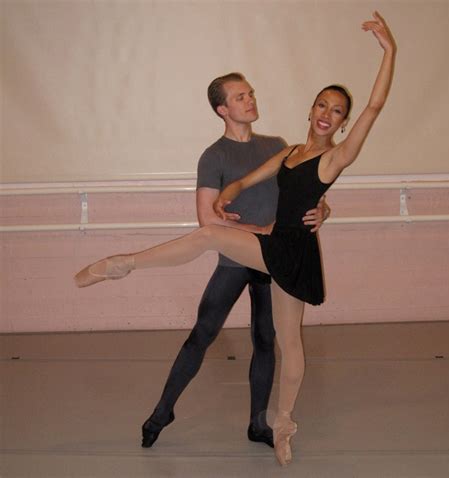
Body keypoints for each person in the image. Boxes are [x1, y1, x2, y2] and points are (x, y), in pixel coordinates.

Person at [75, 11, 396, 466]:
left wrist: (389, 51)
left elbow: (375, 108)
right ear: (310, 110)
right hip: (271, 245)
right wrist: (229, 192)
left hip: (291, 253)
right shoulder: (286, 151)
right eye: (322, 105)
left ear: (343, 123)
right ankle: (124, 263)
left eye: (338, 111)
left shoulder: (334, 158)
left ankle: (282, 424)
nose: (328, 114)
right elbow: (244, 183)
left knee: (289, 342)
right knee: (210, 240)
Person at [139, 72, 329, 450]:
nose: (250, 100)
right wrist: (260, 232)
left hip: (272, 260)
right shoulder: (215, 156)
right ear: (222, 109)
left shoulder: (277, 146)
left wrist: (323, 208)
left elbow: (304, 195)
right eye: (241, 97)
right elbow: (207, 221)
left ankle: (257, 423)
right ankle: (163, 411)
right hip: (235, 259)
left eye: (251, 93)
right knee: (202, 334)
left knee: (264, 339)